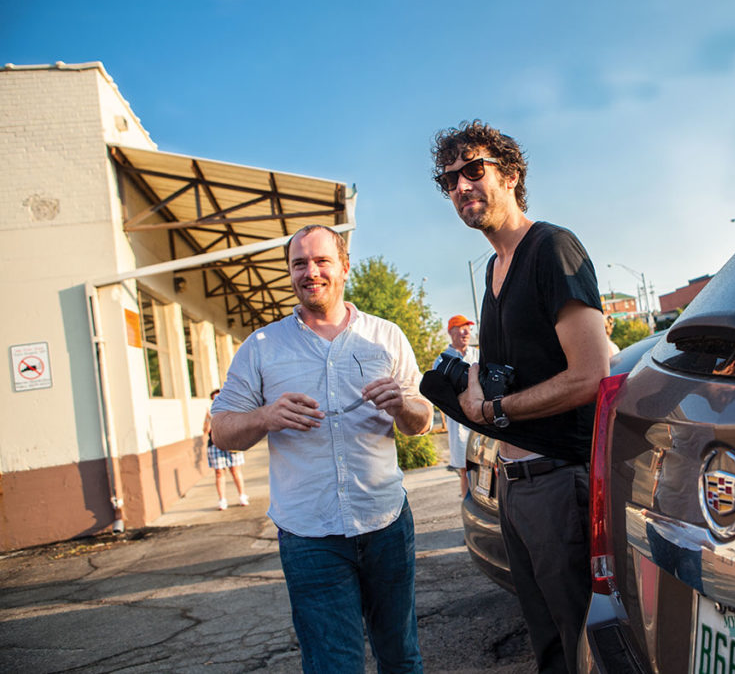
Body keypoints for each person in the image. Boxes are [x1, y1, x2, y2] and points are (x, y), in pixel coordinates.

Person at [210, 224, 433, 674]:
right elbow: (221, 430)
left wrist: (403, 405)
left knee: (401, 658)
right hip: (309, 535)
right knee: (333, 666)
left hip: (385, 523)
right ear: (290, 273)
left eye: (321, 261)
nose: (310, 272)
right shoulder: (262, 347)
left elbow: (422, 421)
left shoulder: (385, 336)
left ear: (344, 267)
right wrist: (265, 416)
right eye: (299, 264)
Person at [431, 120, 609, 674]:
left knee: (582, 644)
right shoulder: (493, 268)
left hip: (558, 483)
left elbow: (591, 375)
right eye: (449, 179)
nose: (461, 185)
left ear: (510, 175)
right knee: (547, 645)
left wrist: (494, 410)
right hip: (511, 486)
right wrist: (472, 385)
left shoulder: (552, 248)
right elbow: (518, 367)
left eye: (473, 170)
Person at [433, 314, 479, 497]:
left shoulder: (477, 354)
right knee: (465, 468)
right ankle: (468, 503)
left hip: (482, 418)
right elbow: (439, 394)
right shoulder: (442, 360)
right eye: (461, 328)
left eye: (468, 328)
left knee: (486, 464)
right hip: (459, 422)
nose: (466, 332)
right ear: (451, 332)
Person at [203, 388, 248, 510]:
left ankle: (242, 496)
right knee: (219, 472)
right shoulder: (210, 413)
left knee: (235, 470)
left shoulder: (231, 410)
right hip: (215, 445)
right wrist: (208, 418)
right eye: (214, 399)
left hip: (231, 444)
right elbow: (205, 431)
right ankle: (222, 499)